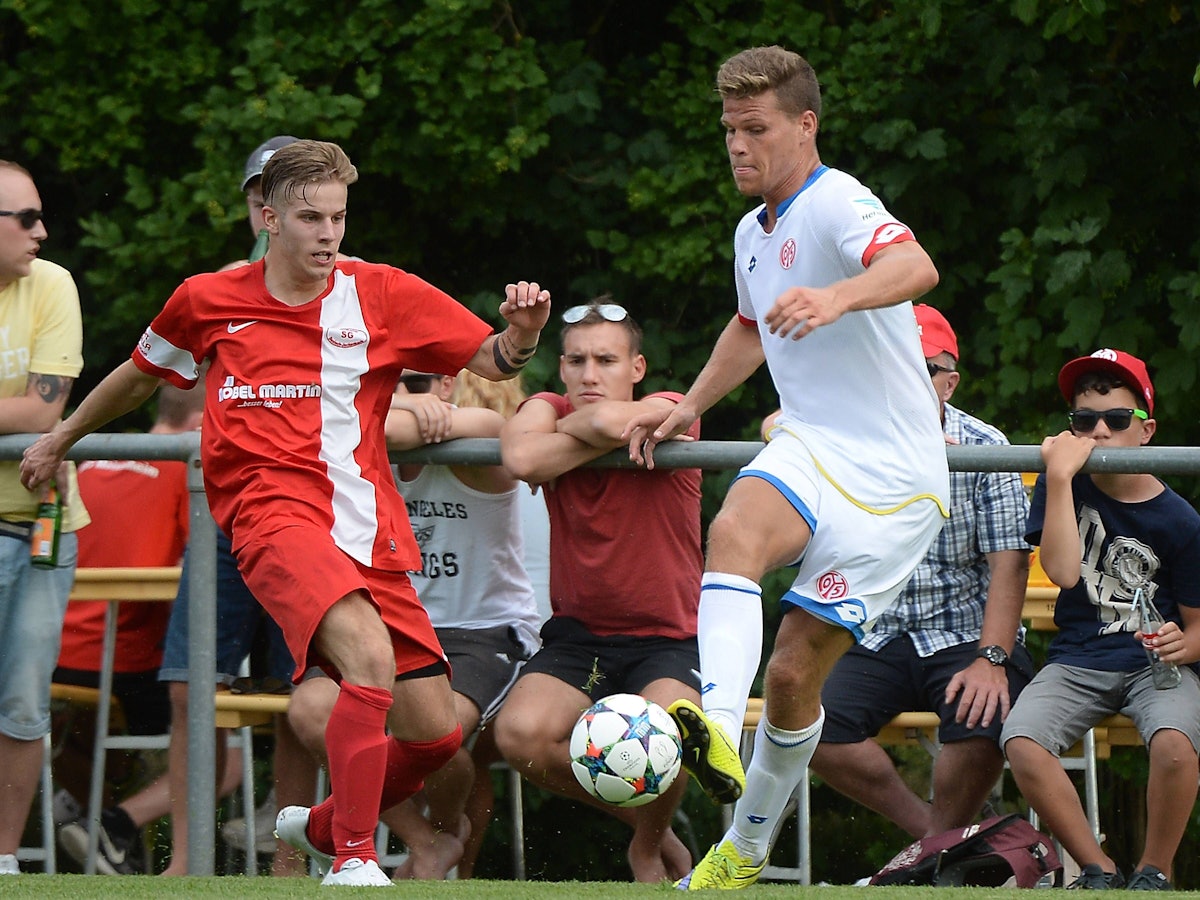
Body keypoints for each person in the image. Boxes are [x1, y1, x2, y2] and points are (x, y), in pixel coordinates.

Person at [19, 139, 551, 887]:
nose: (328, 234)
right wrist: (63, 437)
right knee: (365, 661)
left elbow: (490, 359)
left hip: (369, 532)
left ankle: (325, 826)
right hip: (269, 519)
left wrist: (523, 334)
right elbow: (138, 378)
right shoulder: (206, 298)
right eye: (310, 218)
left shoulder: (383, 292)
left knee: (434, 738)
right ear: (268, 218)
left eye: (338, 217)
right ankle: (355, 860)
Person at [621, 46, 948, 890]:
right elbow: (748, 327)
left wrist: (837, 295)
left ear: (805, 126)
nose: (738, 144)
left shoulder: (837, 199)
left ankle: (747, 849)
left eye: (756, 128)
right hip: (811, 442)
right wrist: (689, 404)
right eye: (729, 129)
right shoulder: (750, 233)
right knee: (733, 529)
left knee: (796, 674)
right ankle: (716, 725)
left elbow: (915, 266)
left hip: (896, 483)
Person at [287, 368, 542, 880]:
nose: (402, 393)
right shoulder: (363, 447)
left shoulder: (474, 445)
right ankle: (427, 841)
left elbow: (493, 424)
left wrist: (392, 411)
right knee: (311, 710)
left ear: (447, 386)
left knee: (437, 733)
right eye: (387, 381)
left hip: (483, 628)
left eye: (417, 384)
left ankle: (441, 829)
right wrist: (406, 409)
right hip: (392, 622)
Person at [807, 303, 1033, 850]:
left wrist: (992, 659)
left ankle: (933, 849)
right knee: (807, 726)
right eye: (892, 364)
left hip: (965, 632)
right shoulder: (845, 442)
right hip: (873, 629)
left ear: (949, 383)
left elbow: (1011, 565)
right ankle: (935, 845)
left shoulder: (986, 449)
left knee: (986, 714)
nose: (904, 378)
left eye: (922, 368)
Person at [495, 300, 703, 884]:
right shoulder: (546, 405)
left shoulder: (673, 405)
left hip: (670, 637)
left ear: (637, 367)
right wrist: (578, 430)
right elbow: (521, 456)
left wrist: (564, 437)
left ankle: (648, 850)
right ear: (561, 367)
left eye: (606, 361)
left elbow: (611, 425)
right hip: (580, 638)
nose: (589, 374)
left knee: (665, 731)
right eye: (577, 361)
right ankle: (648, 828)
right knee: (520, 735)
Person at [1001, 349, 1200, 892]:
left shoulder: (1181, 520)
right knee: (1022, 739)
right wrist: (1060, 477)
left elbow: (1196, 628)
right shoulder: (1063, 482)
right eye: (1084, 420)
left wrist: (1185, 645)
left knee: (1176, 744)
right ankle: (1098, 868)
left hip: (1155, 666)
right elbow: (1064, 572)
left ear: (1147, 431)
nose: (1100, 432)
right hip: (1078, 661)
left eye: (1116, 418)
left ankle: (1154, 872)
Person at [52, 383, 207, 874]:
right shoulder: (186, 469)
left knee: (75, 733)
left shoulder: (91, 463)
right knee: (218, 743)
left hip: (55, 656)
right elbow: (206, 570)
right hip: (122, 660)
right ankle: (115, 823)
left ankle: (89, 814)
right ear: (204, 424)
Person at [0, 160, 89, 877]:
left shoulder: (52, 283)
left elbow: (41, 410)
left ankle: (2, 860)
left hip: (40, 528)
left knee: (24, 703)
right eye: (26, 218)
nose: (43, 232)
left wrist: (33, 419)